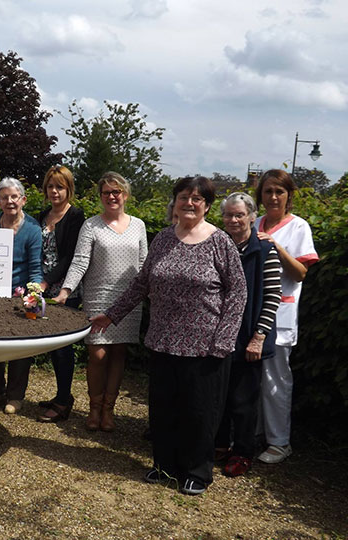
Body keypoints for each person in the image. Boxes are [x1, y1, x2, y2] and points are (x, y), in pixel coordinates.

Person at [92, 176, 247, 495]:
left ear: (206, 205)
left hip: (205, 345)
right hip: (163, 340)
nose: (189, 203)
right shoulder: (163, 239)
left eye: (197, 199)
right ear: (174, 201)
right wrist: (112, 315)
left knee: (199, 411)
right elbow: (141, 283)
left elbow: (237, 292)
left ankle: (197, 472)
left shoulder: (220, 242)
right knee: (164, 408)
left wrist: (224, 339)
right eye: (183, 197)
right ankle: (164, 465)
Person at [55, 172, 147, 431]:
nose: (111, 196)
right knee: (97, 353)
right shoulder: (91, 225)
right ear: (101, 197)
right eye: (106, 192)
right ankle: (94, 407)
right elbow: (81, 260)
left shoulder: (138, 226)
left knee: (118, 352)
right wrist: (66, 290)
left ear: (125, 195)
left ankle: (108, 410)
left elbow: (144, 264)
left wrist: (149, 292)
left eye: (116, 191)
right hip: (98, 295)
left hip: (129, 298)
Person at [254, 169, 319, 464]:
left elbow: (301, 272)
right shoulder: (255, 223)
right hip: (255, 311)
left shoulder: (298, 228)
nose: (273, 197)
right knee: (252, 377)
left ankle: (280, 442)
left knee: (276, 378)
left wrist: (276, 247)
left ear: (289, 196)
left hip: (281, 312)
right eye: (268, 191)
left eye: (279, 191)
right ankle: (254, 433)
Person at [215, 193, 282, 477]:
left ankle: (242, 452)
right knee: (217, 396)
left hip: (249, 337)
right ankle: (217, 445)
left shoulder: (264, 250)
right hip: (218, 336)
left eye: (239, 215)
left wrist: (259, 336)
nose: (233, 220)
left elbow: (272, 296)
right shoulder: (216, 246)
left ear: (252, 217)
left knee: (243, 400)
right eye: (228, 215)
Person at [0, 178, 42, 414]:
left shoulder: (33, 229)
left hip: (20, 295)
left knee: (19, 347)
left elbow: (35, 266)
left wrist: (33, 294)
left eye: (14, 197)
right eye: (5, 197)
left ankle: (15, 396)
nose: (10, 201)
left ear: (22, 200)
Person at [35, 166, 85, 423]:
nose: (54, 191)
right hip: (42, 286)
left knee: (63, 346)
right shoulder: (43, 214)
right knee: (52, 345)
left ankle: (64, 401)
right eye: (51, 186)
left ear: (69, 189)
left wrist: (46, 282)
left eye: (60, 187)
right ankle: (61, 395)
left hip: (65, 289)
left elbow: (70, 257)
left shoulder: (75, 216)